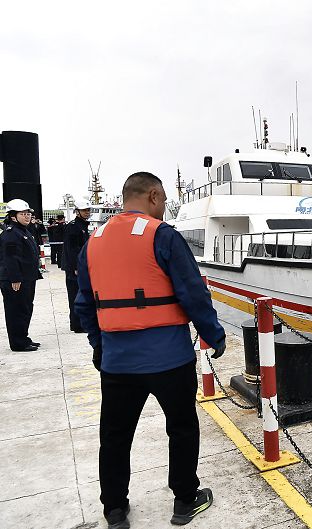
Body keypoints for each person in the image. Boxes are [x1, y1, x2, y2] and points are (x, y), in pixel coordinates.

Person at [74, 172, 226, 529]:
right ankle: (185, 499)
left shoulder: (92, 241)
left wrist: (101, 347)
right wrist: (214, 335)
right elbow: (193, 294)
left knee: (114, 436)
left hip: (117, 363)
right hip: (170, 360)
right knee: (182, 427)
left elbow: (84, 305)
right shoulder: (164, 236)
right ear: (154, 196)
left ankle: (114, 509)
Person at [0, 199, 43, 352]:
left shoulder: (24, 231)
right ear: (13, 216)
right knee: (16, 311)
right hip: (17, 280)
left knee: (25, 309)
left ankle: (23, 338)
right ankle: (18, 343)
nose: (27, 217)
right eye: (23, 214)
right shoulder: (11, 234)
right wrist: (15, 278)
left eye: (28, 214)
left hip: (27, 278)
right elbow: (10, 258)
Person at [63, 200, 92, 332]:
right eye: (84, 210)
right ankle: (77, 325)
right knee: (75, 295)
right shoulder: (73, 227)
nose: (87, 212)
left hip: (80, 265)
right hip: (74, 268)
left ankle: (79, 323)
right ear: (78, 212)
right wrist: (76, 267)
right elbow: (72, 249)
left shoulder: (82, 226)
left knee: (80, 295)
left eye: (88, 210)